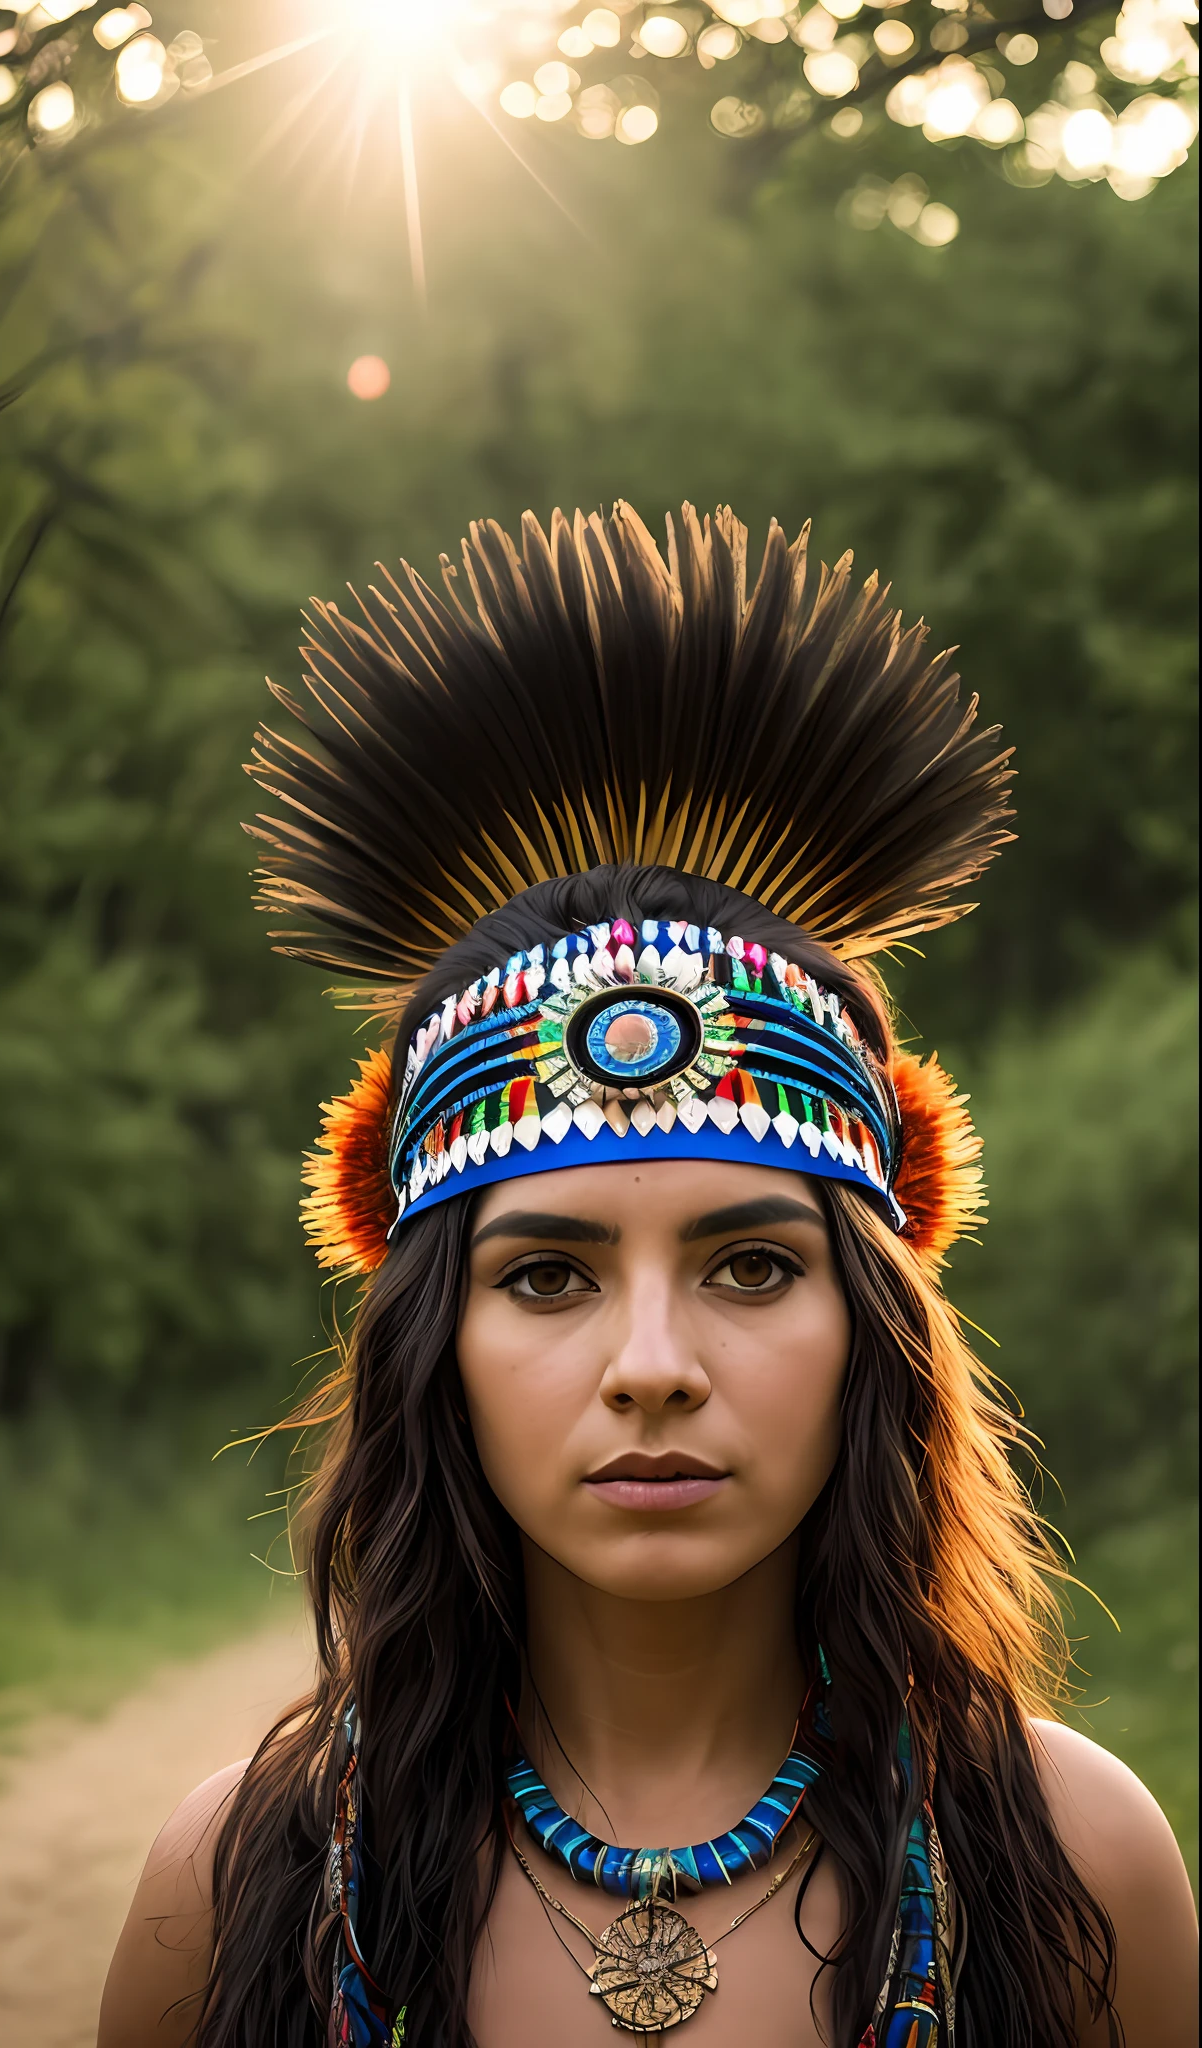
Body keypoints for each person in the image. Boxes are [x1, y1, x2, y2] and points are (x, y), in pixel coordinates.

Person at [98, 505, 1197, 2048]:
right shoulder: (231, 1897)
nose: (654, 1362)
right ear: (437, 1343)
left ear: (872, 1330)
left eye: (751, 1265)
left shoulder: (1078, 1869)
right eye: (549, 1277)